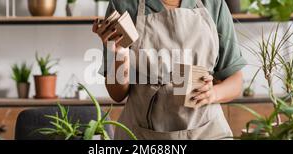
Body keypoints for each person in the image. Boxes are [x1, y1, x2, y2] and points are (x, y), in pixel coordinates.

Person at [92, 0, 246, 140]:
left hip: (206, 131)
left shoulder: (213, 4)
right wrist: (120, 55)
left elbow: (235, 81)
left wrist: (213, 93)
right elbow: (117, 94)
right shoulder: (124, 4)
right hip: (142, 134)